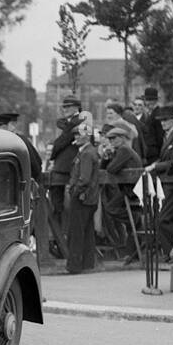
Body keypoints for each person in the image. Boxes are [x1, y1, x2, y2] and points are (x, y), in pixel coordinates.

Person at [145, 105, 173, 262]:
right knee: (167, 218)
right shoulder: (168, 135)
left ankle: (172, 253)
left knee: (163, 219)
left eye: (166, 120)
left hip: (172, 181)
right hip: (166, 181)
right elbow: (166, 159)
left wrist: (156, 166)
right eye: (161, 120)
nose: (163, 123)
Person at [101, 122, 143, 261]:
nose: (112, 142)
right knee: (127, 222)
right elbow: (105, 167)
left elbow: (111, 169)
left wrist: (110, 157)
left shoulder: (124, 150)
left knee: (111, 208)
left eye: (115, 139)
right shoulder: (121, 150)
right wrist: (107, 157)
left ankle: (135, 219)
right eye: (110, 139)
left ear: (122, 138)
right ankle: (132, 252)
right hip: (129, 189)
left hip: (131, 191)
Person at [64, 114, 100, 273]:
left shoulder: (86, 153)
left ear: (87, 137)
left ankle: (74, 266)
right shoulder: (90, 151)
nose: (76, 137)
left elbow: (84, 178)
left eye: (79, 134)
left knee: (77, 233)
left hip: (82, 197)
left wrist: (74, 191)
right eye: (76, 135)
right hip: (89, 198)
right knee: (87, 232)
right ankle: (87, 263)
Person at [47, 96, 82, 243]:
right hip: (62, 170)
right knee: (57, 207)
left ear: (77, 108)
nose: (65, 109)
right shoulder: (68, 124)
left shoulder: (80, 122)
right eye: (64, 107)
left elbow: (61, 143)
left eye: (68, 107)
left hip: (70, 170)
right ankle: (59, 239)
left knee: (68, 208)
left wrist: (54, 151)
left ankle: (63, 239)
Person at [138, 87, 165, 165]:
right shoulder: (150, 114)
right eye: (147, 100)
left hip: (155, 153)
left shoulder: (157, 114)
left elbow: (160, 136)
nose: (149, 102)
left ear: (156, 101)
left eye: (151, 100)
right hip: (150, 152)